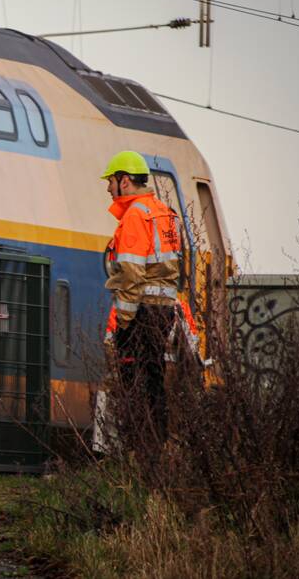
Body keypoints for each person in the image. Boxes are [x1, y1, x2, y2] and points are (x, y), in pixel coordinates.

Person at [100, 150, 184, 445]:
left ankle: (138, 448)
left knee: (132, 382)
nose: (109, 188)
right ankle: (156, 447)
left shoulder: (135, 215)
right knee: (154, 381)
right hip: (163, 311)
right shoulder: (164, 213)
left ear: (125, 181)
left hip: (141, 313)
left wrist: (123, 321)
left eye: (111, 182)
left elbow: (132, 274)